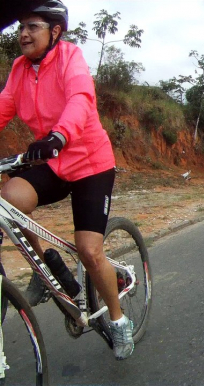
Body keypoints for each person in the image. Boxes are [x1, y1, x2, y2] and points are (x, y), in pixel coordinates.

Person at [0, 0, 134, 360]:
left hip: (90, 163)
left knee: (90, 251)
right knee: (9, 198)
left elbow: (79, 99)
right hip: (54, 162)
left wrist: (57, 136)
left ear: (54, 31)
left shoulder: (70, 58)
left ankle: (120, 322)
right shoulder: (19, 69)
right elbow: (3, 107)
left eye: (33, 27)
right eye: (21, 27)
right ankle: (50, 268)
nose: (23, 33)